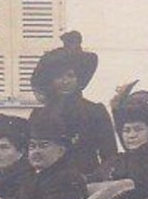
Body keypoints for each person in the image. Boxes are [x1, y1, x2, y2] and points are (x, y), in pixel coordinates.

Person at [30, 31, 118, 179]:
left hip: (87, 185)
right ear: (51, 81)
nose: (65, 81)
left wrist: (91, 178)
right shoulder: (39, 115)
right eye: (59, 76)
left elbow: (110, 157)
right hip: (50, 185)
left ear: (79, 78)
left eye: (70, 76)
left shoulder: (94, 112)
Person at [0, 106, 88, 199]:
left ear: (61, 151)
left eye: (43, 145)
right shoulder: (30, 175)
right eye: (32, 146)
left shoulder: (68, 178)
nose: (36, 151)